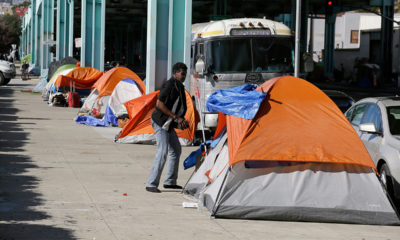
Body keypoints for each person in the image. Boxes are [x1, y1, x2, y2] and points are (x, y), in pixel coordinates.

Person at [146, 62, 189, 193]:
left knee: (176, 149)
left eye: (185, 74)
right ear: (175, 73)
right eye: (182, 74)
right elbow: (159, 104)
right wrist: (176, 117)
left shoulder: (180, 87)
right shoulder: (169, 85)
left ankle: (170, 182)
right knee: (162, 151)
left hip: (169, 123)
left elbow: (179, 107)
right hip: (160, 122)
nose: (184, 76)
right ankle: (151, 184)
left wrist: (180, 121)